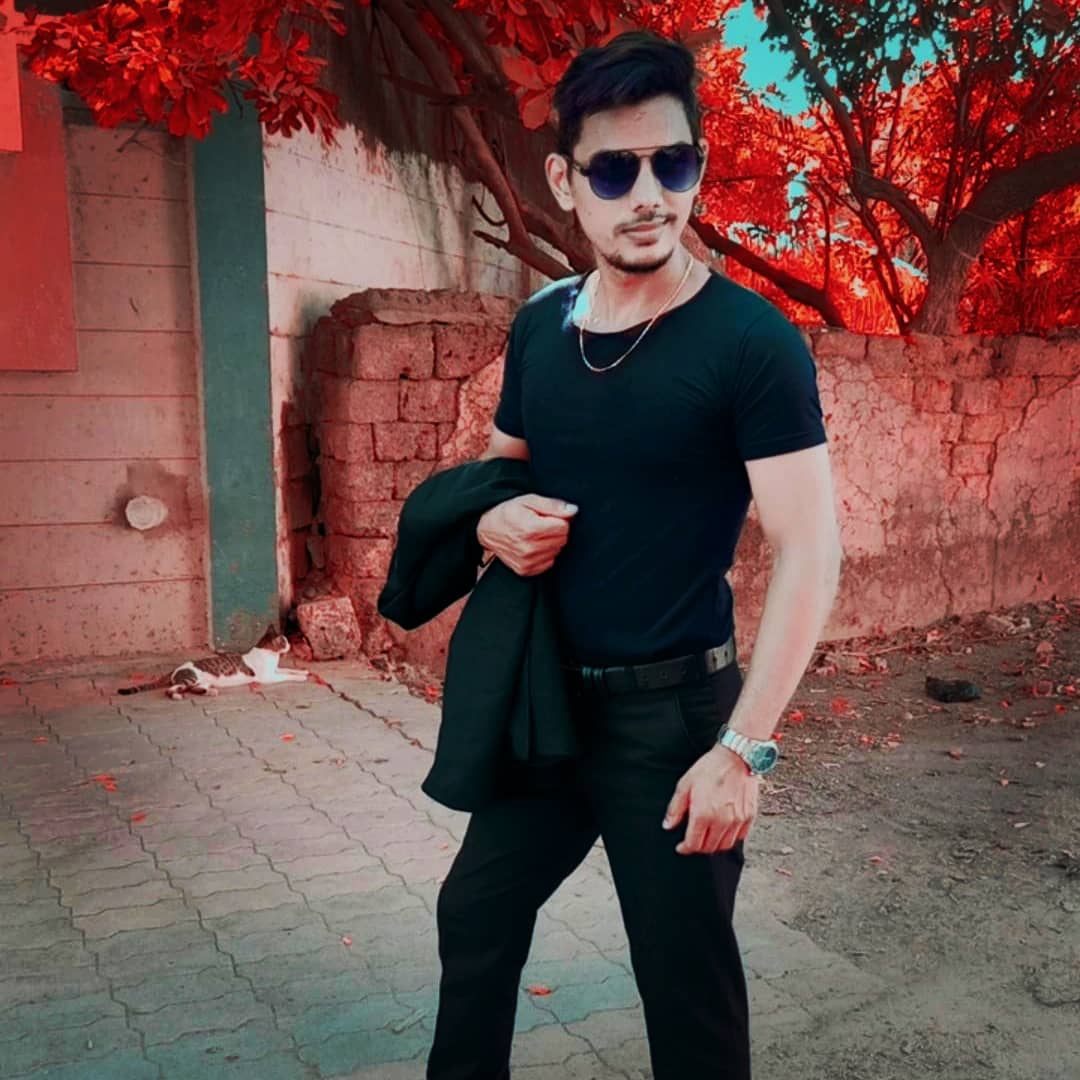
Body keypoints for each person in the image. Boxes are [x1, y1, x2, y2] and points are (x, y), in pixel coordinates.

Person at [426, 29, 844, 1080]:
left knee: (684, 987)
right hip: (546, 707)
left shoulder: (751, 344)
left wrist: (743, 751)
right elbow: (503, 470)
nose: (649, 195)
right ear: (564, 182)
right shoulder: (542, 328)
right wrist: (487, 522)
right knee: (475, 914)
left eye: (674, 163)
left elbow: (808, 551)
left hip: (675, 723)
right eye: (615, 170)